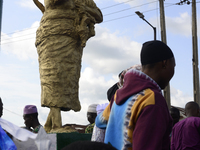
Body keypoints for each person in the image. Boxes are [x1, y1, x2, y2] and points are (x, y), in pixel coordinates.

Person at [95, 40, 175, 150]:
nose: (173, 72)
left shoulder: (118, 95)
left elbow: (100, 121)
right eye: (173, 66)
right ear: (164, 63)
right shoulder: (152, 100)